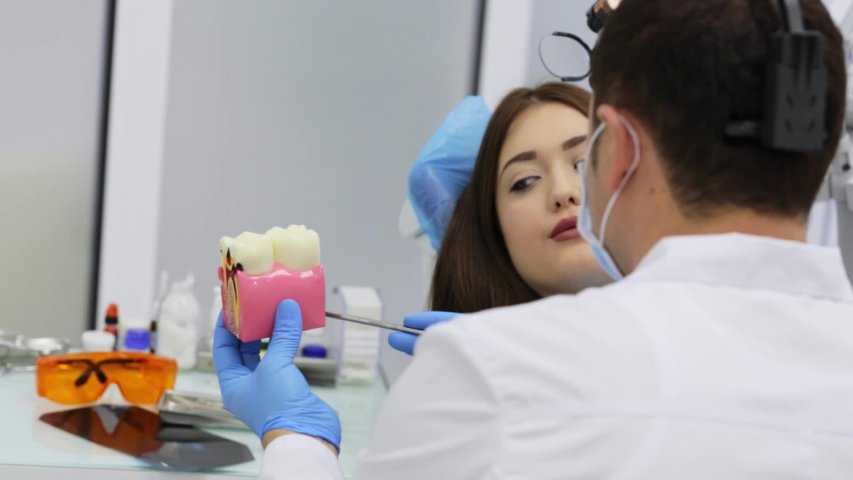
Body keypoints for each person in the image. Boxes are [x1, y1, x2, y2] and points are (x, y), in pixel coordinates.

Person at [214, 0, 853, 478]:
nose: (566, 192)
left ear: (620, 148)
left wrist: (296, 437)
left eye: (584, 156)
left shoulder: (496, 376)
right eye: (521, 180)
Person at [389, 83, 612, 354]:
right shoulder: (476, 366)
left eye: (583, 164)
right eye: (525, 181)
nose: (563, 191)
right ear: (495, 231)